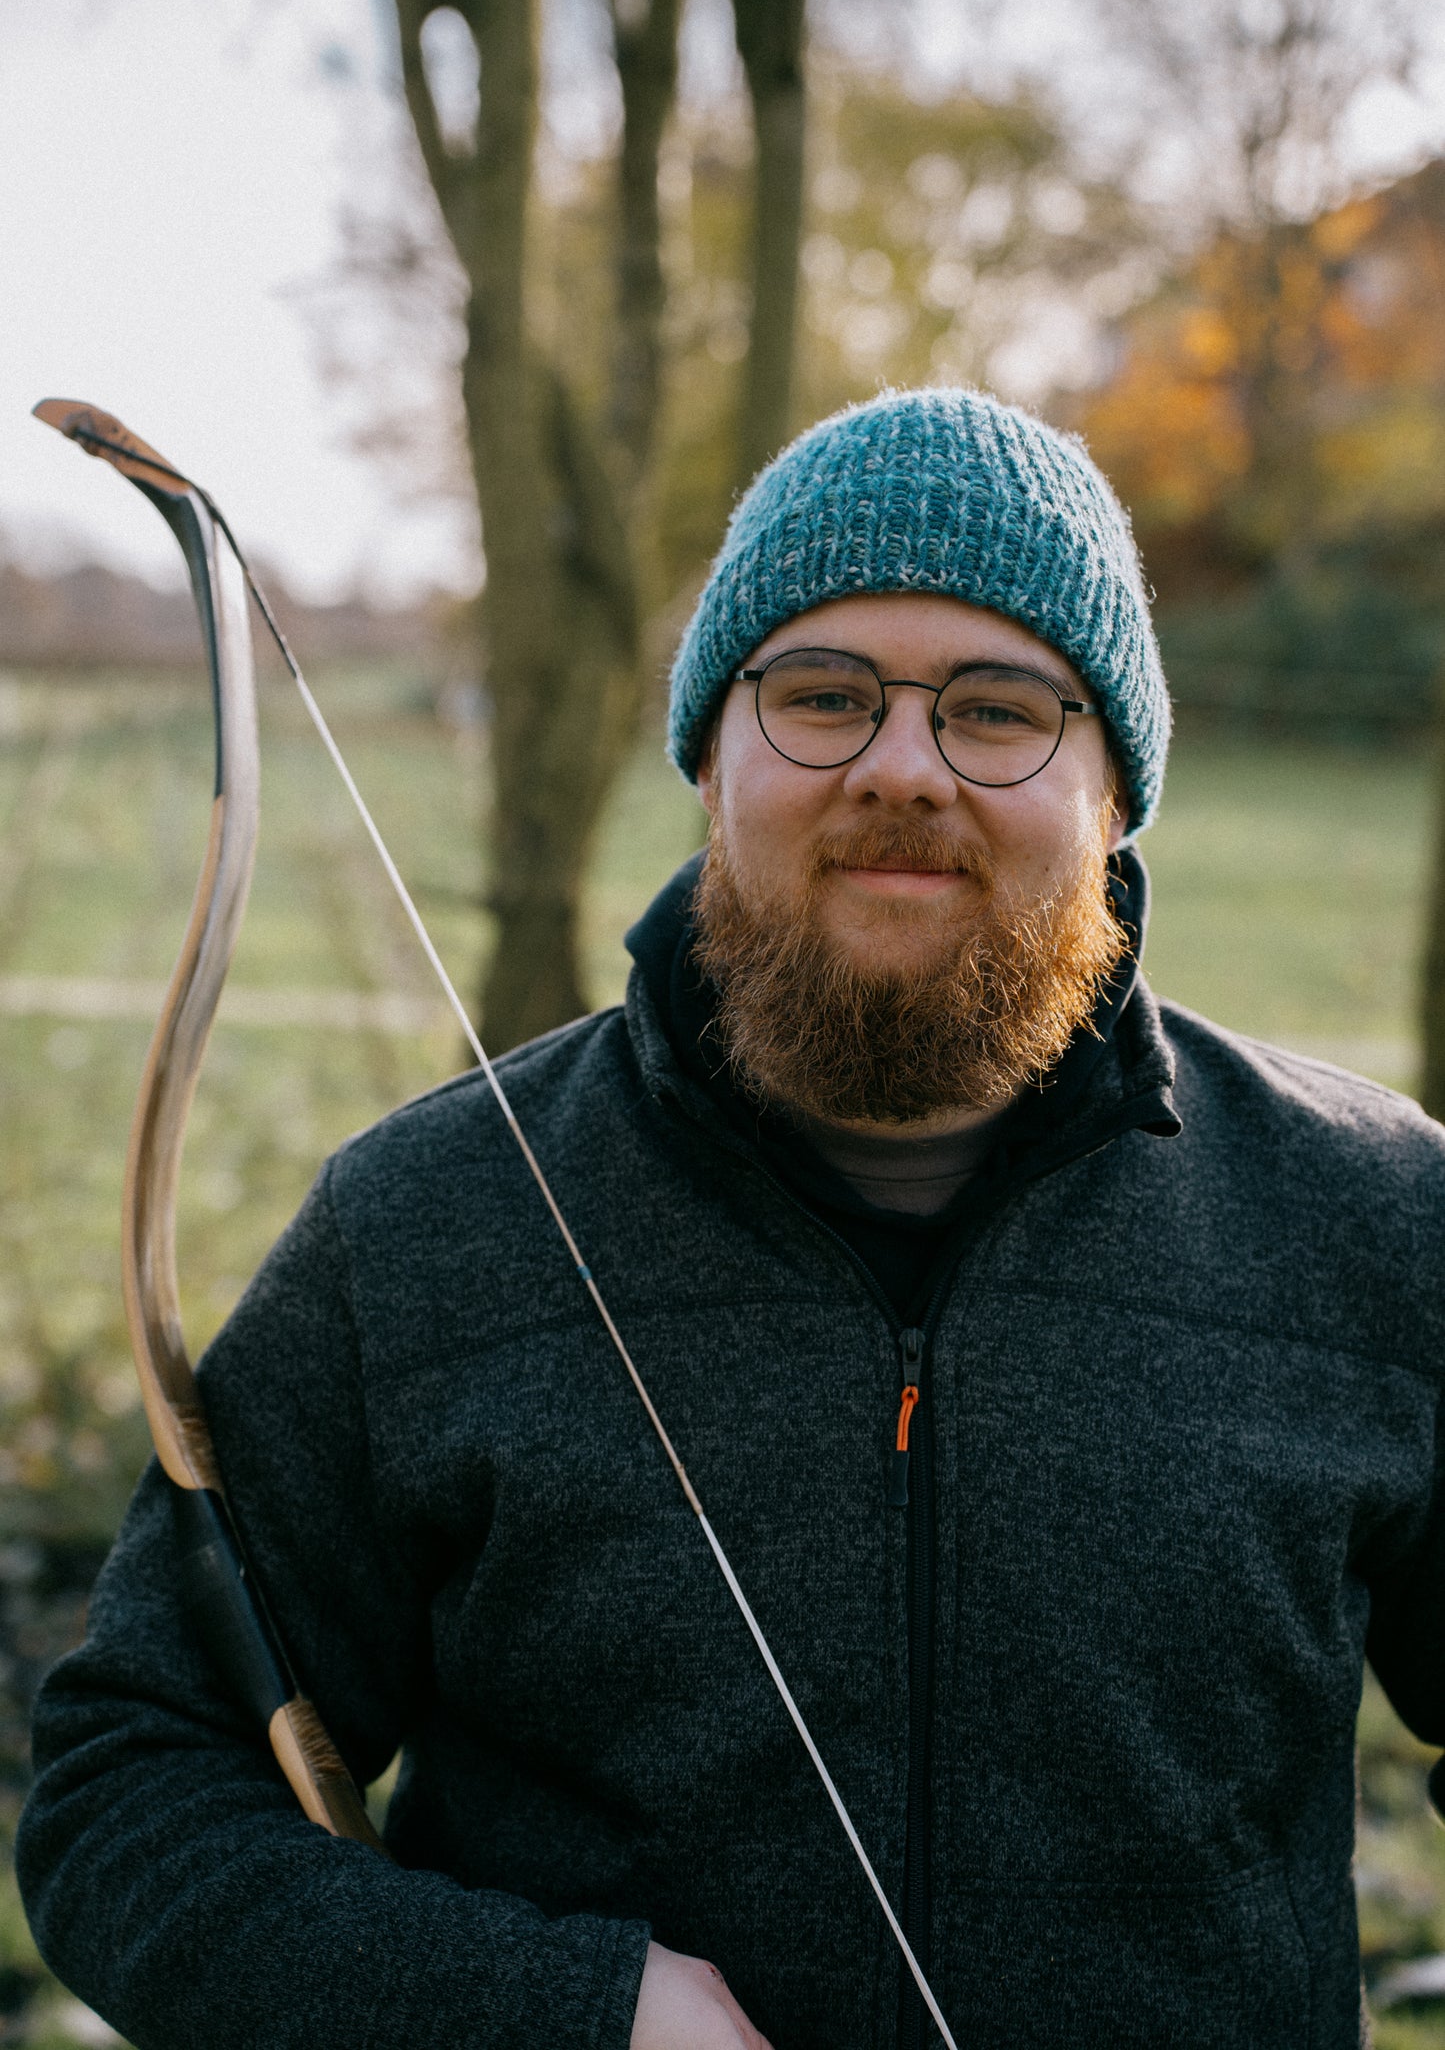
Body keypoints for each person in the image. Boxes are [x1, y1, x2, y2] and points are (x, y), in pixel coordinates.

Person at [16, 387, 1445, 2050]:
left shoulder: (1373, 1222)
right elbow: (128, 1801)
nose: (902, 769)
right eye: (821, 695)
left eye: (997, 711)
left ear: (1115, 791)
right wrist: (563, 2016)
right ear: (710, 758)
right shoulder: (421, 1232)